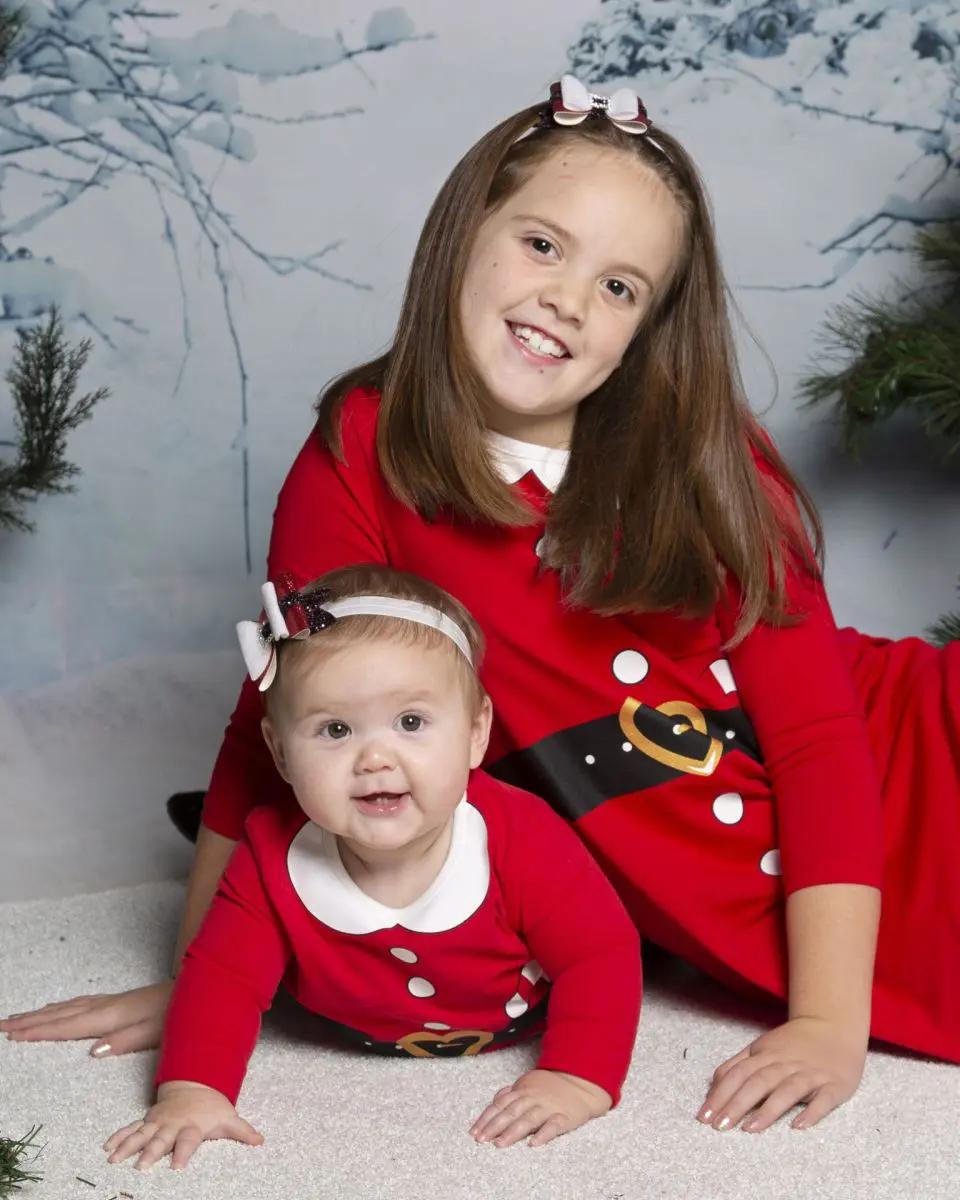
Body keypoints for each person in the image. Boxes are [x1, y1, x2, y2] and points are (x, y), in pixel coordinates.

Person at [4, 73, 959, 1138]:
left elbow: (822, 740)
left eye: (619, 287)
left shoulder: (707, 456)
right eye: (543, 245)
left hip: (909, 759)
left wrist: (827, 1019)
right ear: (464, 233)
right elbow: (273, 711)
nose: (567, 301)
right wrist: (204, 982)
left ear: (647, 331)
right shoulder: (362, 454)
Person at [103, 565, 642, 1169]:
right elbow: (222, 978)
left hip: (514, 1021)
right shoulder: (269, 851)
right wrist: (193, 1088)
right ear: (280, 753)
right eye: (335, 730)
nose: (376, 758)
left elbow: (600, 955)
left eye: (411, 722)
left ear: (475, 733)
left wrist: (575, 1076)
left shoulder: (521, 835)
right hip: (341, 1024)